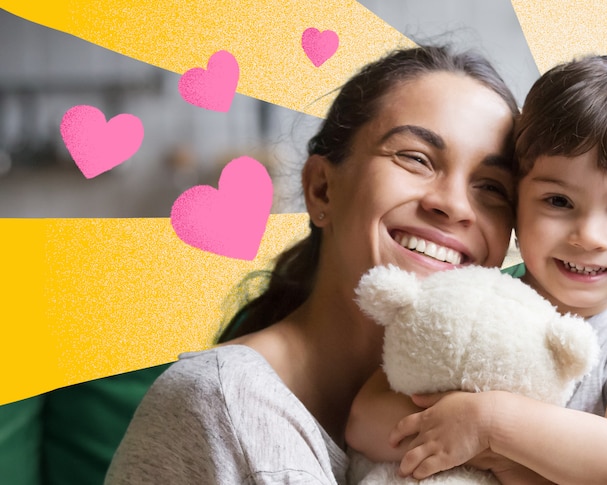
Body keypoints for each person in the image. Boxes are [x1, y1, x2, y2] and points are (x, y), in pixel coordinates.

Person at [104, 44, 520, 484]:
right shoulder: (222, 401)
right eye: (415, 158)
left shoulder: (498, 415)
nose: (455, 206)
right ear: (322, 189)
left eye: (492, 187)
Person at [346, 54, 607, 485]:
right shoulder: (471, 300)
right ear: (516, 204)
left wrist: (490, 427)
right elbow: (365, 417)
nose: (590, 236)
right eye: (558, 201)